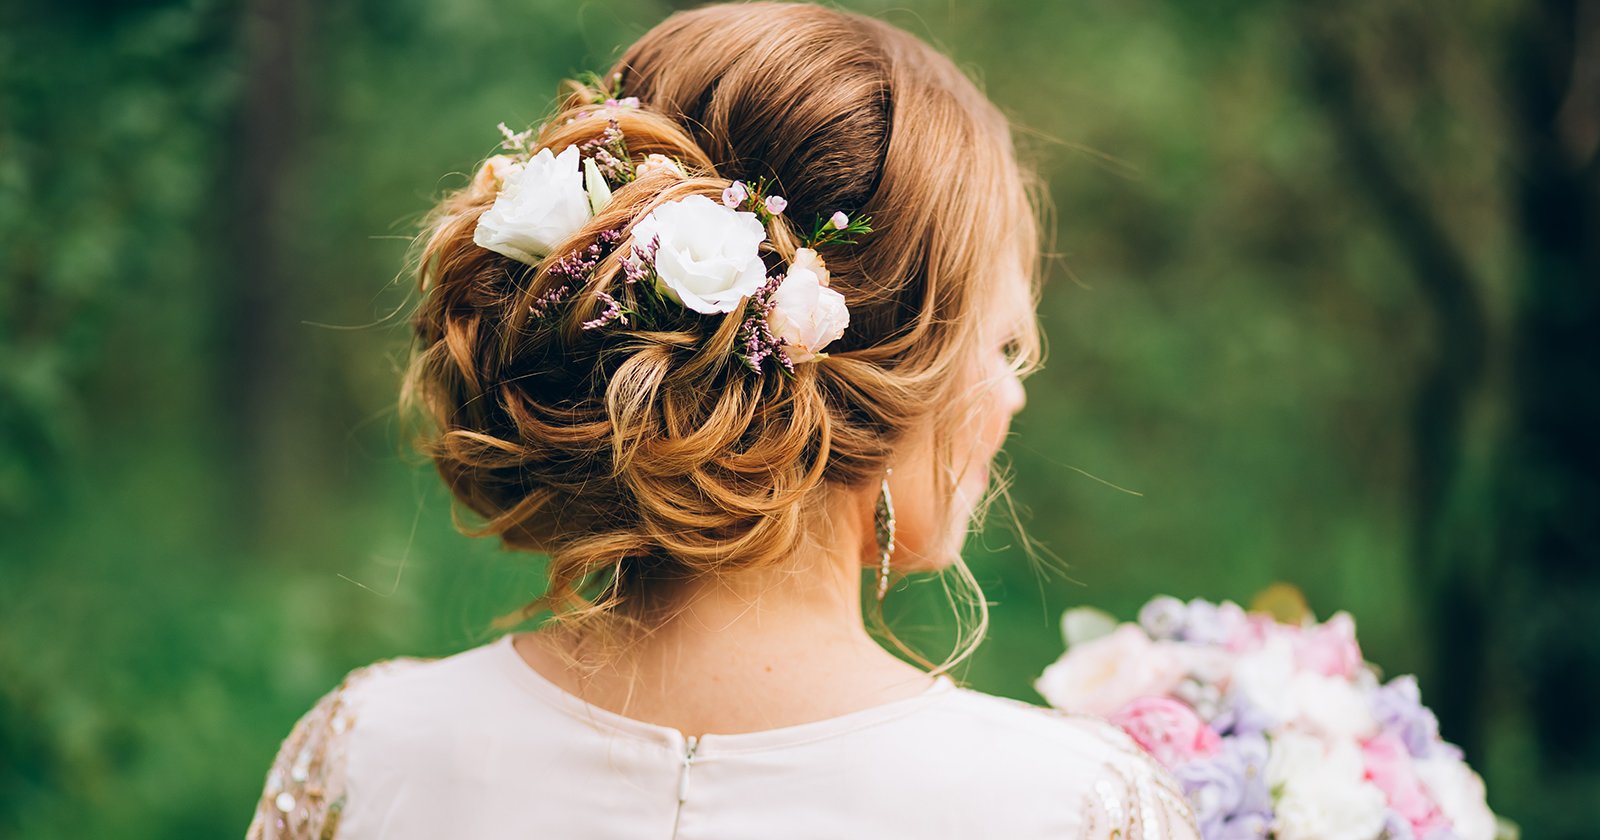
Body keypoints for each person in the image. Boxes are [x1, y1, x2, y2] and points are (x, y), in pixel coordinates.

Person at [246, 2, 1199, 837]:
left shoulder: (365, 756)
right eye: (1001, 349)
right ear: (896, 378)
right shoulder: (1075, 808)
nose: (1014, 394)